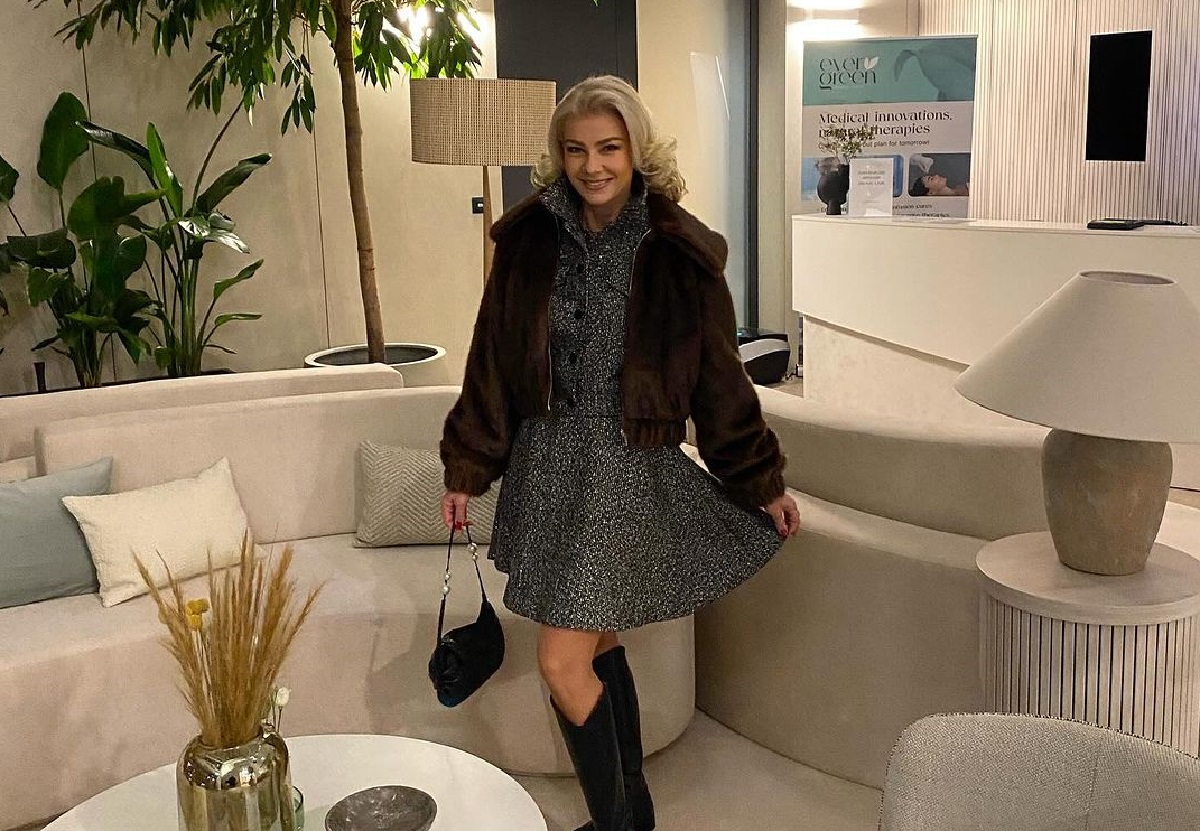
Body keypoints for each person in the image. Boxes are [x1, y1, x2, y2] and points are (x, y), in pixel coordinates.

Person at [440, 75, 802, 831]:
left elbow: (719, 380)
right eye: (575, 150)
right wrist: (467, 468)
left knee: (560, 660)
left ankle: (620, 826)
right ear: (559, 155)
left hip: (625, 474)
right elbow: (492, 362)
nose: (592, 165)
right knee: (596, 641)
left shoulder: (678, 252)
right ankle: (632, 818)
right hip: (547, 469)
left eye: (608, 147)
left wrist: (761, 480)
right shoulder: (528, 240)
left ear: (637, 149)